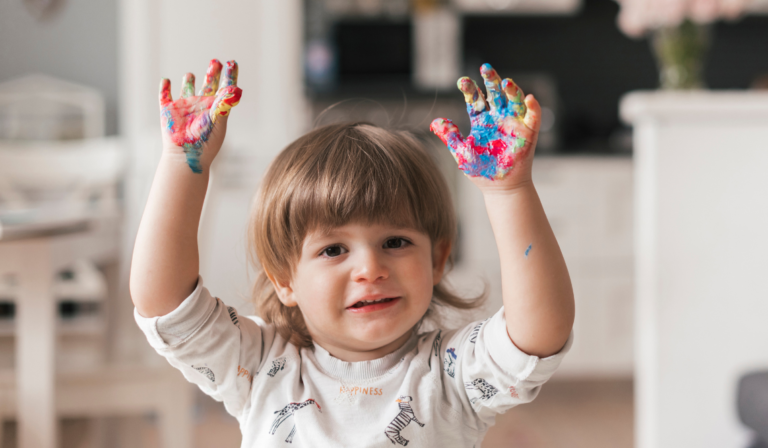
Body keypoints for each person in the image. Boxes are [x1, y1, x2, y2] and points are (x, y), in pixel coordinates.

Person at [130, 59, 575, 447]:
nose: (370, 268)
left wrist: (509, 191)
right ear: (285, 279)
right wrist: (182, 164)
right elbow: (165, 303)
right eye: (334, 249)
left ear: (438, 260)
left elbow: (538, 332)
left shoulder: (452, 374)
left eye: (395, 242)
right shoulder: (262, 367)